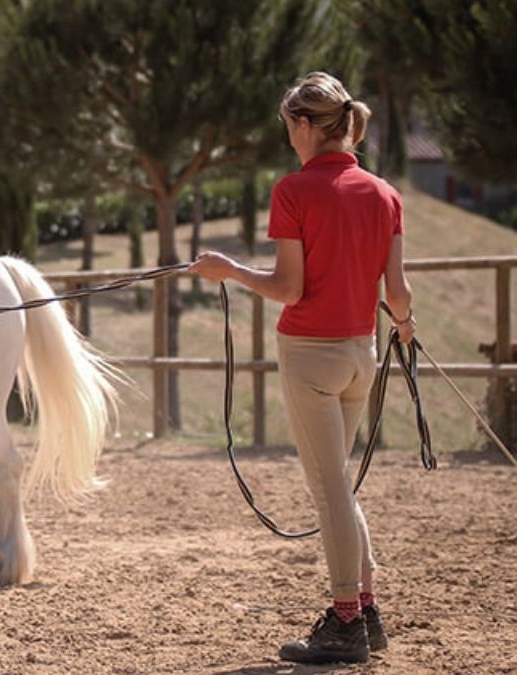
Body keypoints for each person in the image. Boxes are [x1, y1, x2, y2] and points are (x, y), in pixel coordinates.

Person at [190, 71, 416, 665]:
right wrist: (407, 326)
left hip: (310, 355)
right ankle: (364, 611)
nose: (289, 137)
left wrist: (229, 270)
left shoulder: (294, 191)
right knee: (339, 485)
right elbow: (400, 293)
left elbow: (289, 289)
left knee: (330, 490)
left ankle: (345, 620)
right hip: (360, 353)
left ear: (303, 124)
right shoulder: (385, 193)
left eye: (288, 126)